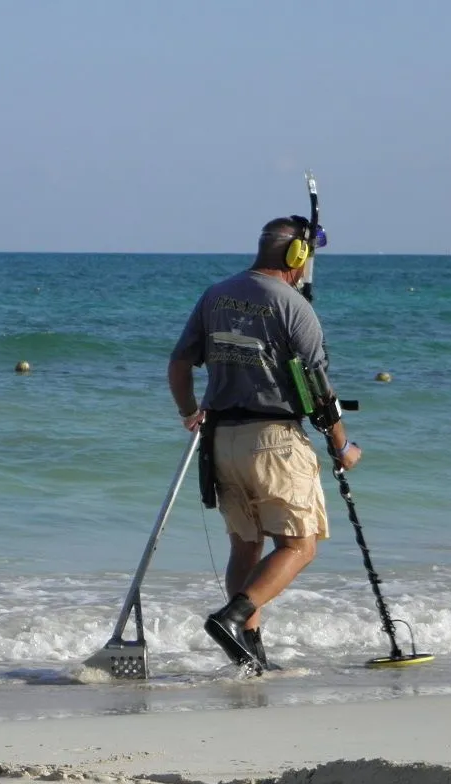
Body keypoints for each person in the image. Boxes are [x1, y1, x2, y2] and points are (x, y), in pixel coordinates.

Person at [167, 215, 362, 673]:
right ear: (297, 256)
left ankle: (250, 655)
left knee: (246, 546)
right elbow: (320, 391)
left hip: (220, 441)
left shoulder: (215, 294)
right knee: (300, 545)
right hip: (273, 440)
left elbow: (179, 363)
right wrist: (342, 445)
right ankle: (231, 618)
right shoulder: (294, 306)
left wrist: (188, 411)